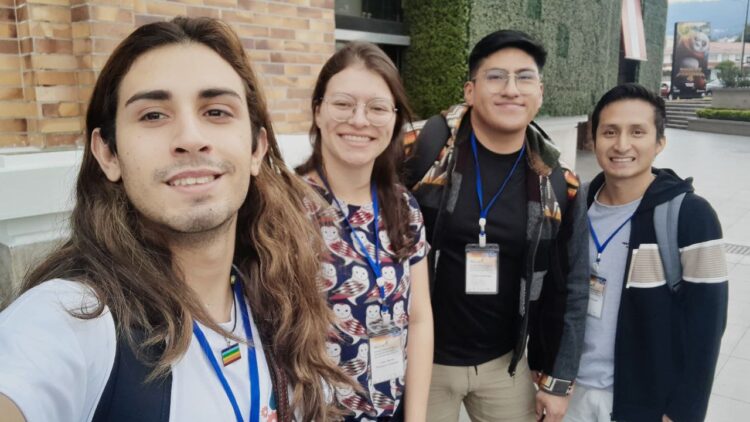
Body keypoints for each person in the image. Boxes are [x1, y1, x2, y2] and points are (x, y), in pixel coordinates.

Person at [0, 17, 350, 422]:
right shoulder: (72, 320)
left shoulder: (276, 301)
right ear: (108, 154)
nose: (189, 136)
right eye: (152, 115)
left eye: (216, 111)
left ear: (256, 148)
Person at [403, 30, 589, 422]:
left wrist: (557, 379)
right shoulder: (422, 150)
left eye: (524, 77)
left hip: (504, 364)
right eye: (495, 76)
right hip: (423, 360)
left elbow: (569, 287)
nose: (511, 89)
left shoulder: (558, 183)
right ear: (470, 91)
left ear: (539, 93)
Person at [565, 83, 728, 422]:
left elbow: (707, 327)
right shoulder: (575, 208)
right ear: (592, 139)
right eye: (610, 131)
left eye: (637, 132)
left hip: (644, 403)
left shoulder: (691, 216)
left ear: (659, 143)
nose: (621, 144)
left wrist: (683, 412)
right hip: (571, 394)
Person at [296, 41, 433, 421]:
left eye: (376, 108)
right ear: (318, 111)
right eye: (343, 104)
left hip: (393, 409)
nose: (360, 120)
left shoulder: (403, 207)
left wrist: (416, 416)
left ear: (394, 120)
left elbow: (419, 317)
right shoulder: (284, 208)